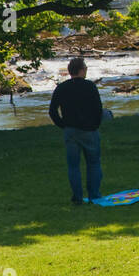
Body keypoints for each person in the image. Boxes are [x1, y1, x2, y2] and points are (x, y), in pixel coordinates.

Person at [48, 57, 105, 204]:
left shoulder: (62, 88)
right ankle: (94, 195)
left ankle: (78, 197)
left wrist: (62, 124)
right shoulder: (90, 86)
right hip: (89, 130)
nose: (86, 70)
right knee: (93, 164)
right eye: (85, 68)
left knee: (73, 166)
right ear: (81, 70)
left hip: (71, 130)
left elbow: (52, 111)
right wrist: (95, 124)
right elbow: (98, 109)